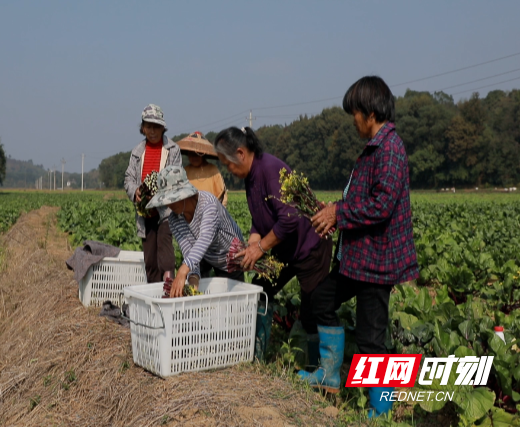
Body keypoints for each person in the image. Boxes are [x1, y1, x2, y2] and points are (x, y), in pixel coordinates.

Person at [300, 76, 419, 419]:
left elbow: (381, 205)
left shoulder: (390, 148)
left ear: (369, 111)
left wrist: (339, 212)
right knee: (319, 300)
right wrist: (334, 208)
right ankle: (330, 373)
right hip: (357, 258)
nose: (352, 119)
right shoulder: (372, 149)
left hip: (378, 262)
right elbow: (362, 199)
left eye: (354, 112)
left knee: (371, 338)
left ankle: (380, 409)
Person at [213, 126, 333, 362]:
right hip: (284, 246)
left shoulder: (269, 169)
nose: (227, 170)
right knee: (260, 290)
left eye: (227, 163)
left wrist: (260, 248)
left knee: (312, 310)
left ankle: (318, 370)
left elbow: (289, 219)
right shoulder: (250, 177)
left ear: (240, 153)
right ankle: (256, 355)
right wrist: (253, 242)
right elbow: (261, 219)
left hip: (310, 247)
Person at [146, 166, 244, 297]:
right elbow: (189, 250)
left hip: (231, 257)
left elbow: (205, 238)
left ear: (185, 193)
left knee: (235, 302)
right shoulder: (175, 220)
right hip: (205, 256)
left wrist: (182, 271)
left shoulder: (208, 204)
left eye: (173, 198)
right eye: (167, 200)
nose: (170, 204)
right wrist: (193, 279)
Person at [124, 104, 182, 283]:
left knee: (165, 255)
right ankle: (153, 295)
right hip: (145, 213)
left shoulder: (172, 149)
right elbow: (129, 178)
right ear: (143, 128)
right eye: (149, 126)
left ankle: (168, 287)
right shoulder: (137, 152)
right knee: (150, 259)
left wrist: (158, 190)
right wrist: (135, 192)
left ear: (163, 128)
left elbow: (176, 177)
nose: (153, 131)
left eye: (156, 126)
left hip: (166, 211)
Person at [180, 132, 229, 207]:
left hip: (210, 211)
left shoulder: (213, 170)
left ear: (203, 154)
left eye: (197, 154)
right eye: (191, 154)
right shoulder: (185, 171)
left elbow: (221, 193)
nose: (194, 157)